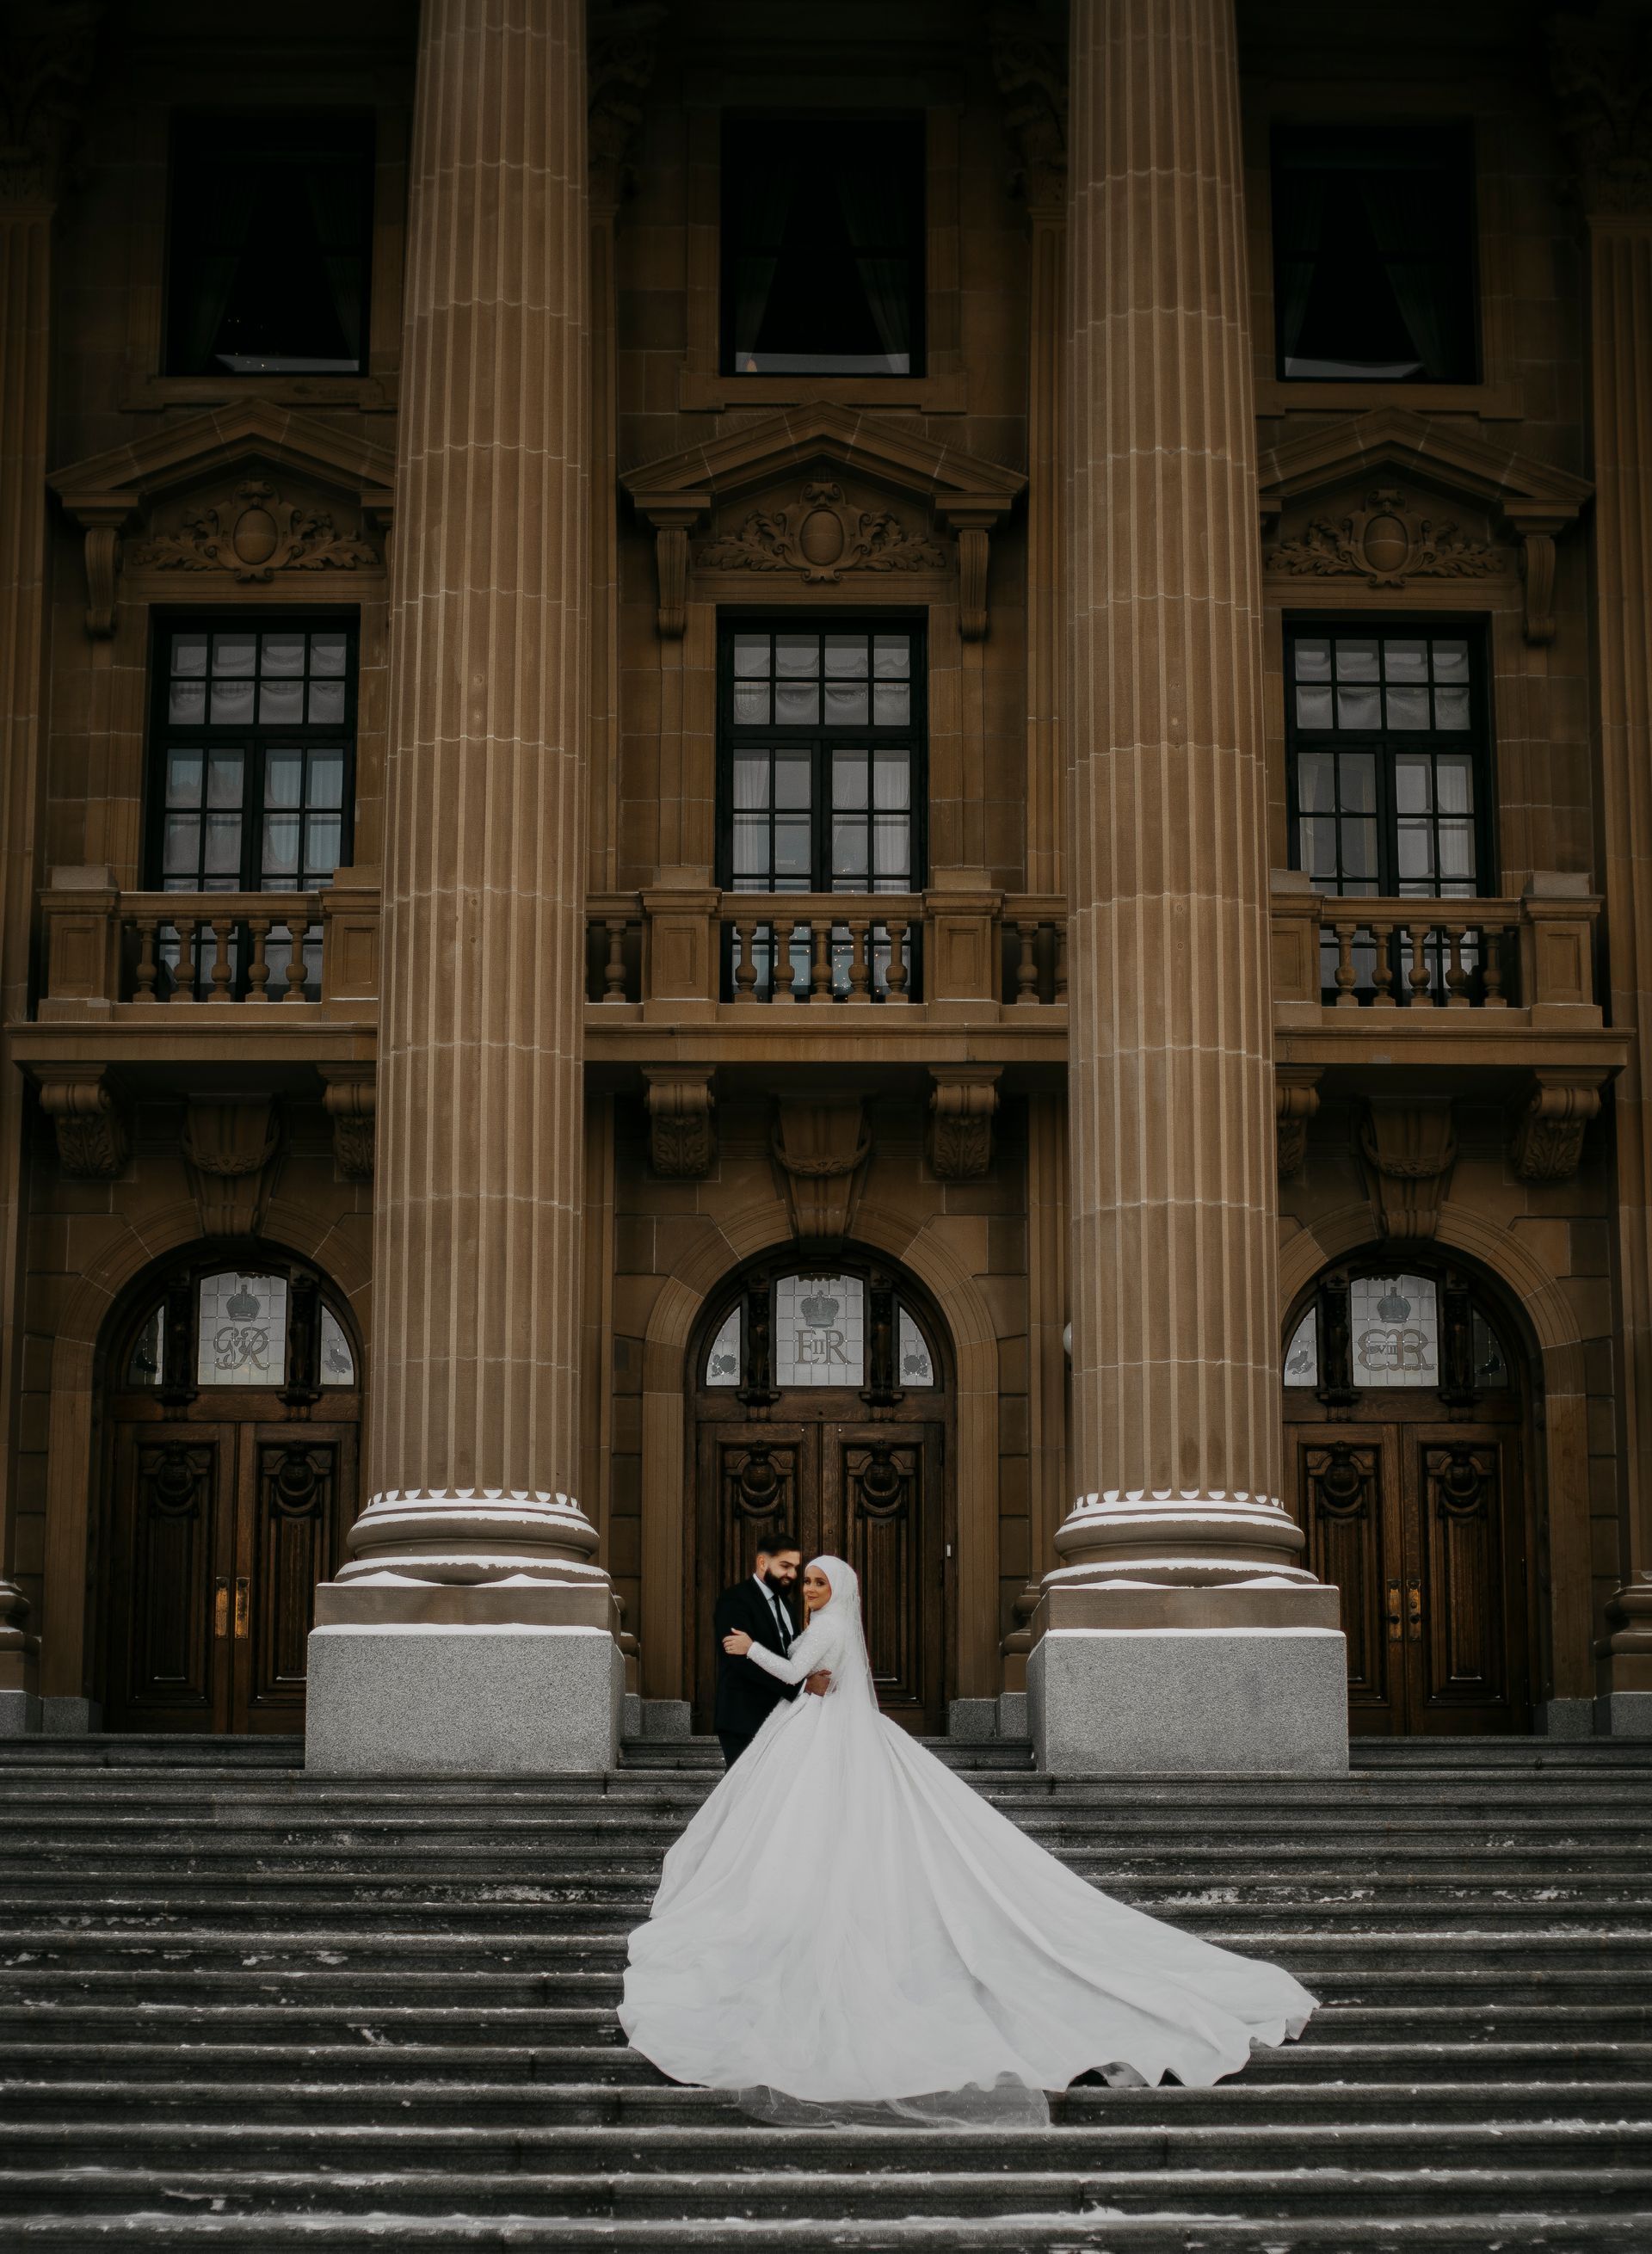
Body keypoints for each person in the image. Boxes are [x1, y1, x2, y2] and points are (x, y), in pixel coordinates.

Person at [620, 1554, 1317, 2111]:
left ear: (840, 1589)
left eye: (819, 1581)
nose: (809, 1590)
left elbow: (799, 1672)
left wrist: (749, 1651)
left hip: (820, 1738)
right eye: (807, 1581)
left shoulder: (827, 1627)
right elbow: (823, 1681)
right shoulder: (834, 1624)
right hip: (821, 1732)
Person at [711, 1535, 828, 1767]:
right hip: (743, 1718)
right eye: (785, 1566)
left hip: (781, 1718)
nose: (792, 1575)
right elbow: (741, 1662)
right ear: (763, 1563)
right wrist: (802, 1686)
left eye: (795, 1568)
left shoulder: (787, 1604)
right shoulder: (734, 1600)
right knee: (743, 1794)